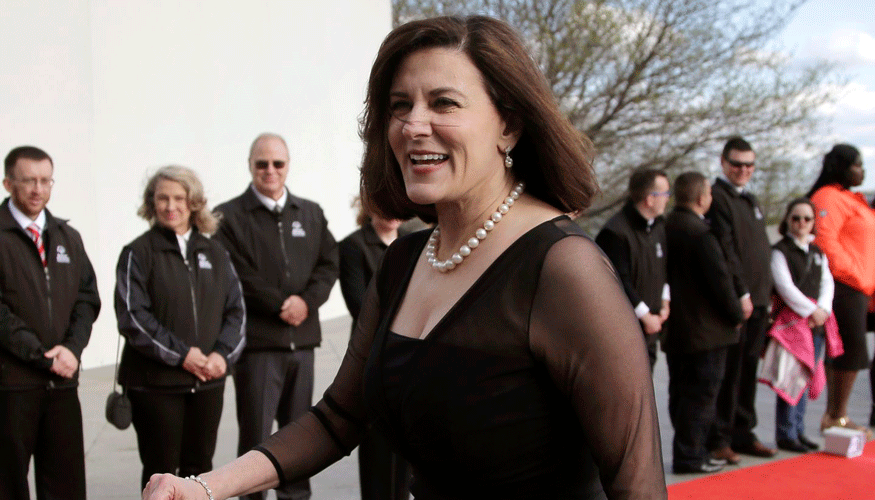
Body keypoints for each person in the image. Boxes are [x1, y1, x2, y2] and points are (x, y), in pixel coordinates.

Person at [144, 15, 665, 500]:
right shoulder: (404, 260)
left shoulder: (563, 268)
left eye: (444, 103)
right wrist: (205, 487)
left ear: (508, 124)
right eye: (400, 105)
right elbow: (337, 417)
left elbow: (636, 482)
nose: (414, 125)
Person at [213, 133, 339, 500]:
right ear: (250, 165)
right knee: (256, 438)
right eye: (262, 163)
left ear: (288, 166)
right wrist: (278, 303)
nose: (270, 171)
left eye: (278, 163)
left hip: (302, 344)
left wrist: (306, 301)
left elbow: (329, 263)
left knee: (299, 437)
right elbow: (234, 270)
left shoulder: (310, 213)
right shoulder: (228, 217)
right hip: (259, 348)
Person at [114, 166, 247, 489]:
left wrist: (221, 355)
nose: (170, 206)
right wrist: (182, 354)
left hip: (208, 384)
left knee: (200, 472)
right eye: (162, 198)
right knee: (161, 474)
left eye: (179, 198)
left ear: (194, 203)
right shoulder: (137, 253)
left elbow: (237, 311)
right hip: (156, 385)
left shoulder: (215, 252)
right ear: (152, 203)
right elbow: (133, 316)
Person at [0, 145, 101, 499]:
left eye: (45, 180)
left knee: (65, 484)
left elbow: (87, 299)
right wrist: (42, 355)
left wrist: (72, 350)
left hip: (61, 386)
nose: (37, 189)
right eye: (28, 180)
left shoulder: (67, 237)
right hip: (11, 387)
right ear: (8, 182)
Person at [664, 172, 745, 474]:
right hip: (707, 333)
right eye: (709, 193)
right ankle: (691, 455)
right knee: (701, 396)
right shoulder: (701, 234)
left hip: (677, 331)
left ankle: (688, 450)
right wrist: (737, 315)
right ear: (701, 198)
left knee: (681, 394)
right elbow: (720, 282)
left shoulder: (666, 227)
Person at [706, 136, 776, 464]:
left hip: (760, 300)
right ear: (723, 163)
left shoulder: (751, 201)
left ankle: (743, 432)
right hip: (737, 302)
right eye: (737, 164)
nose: (743, 170)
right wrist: (741, 293)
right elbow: (725, 249)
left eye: (749, 165)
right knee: (729, 374)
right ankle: (719, 438)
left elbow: (760, 251)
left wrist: (766, 294)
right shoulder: (717, 198)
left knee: (748, 371)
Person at [338, 198, 411, 500]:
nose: (391, 211)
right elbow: (359, 305)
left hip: (408, 359)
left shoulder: (413, 241)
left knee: (406, 452)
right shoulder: (353, 245)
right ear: (368, 205)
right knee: (377, 449)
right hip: (373, 358)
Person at [808, 144, 875, 439]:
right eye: (857, 165)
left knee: (852, 352)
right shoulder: (828, 197)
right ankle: (836, 415)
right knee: (851, 351)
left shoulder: (851, 199)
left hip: (862, 287)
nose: (862, 170)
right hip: (845, 285)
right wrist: (853, 274)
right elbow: (825, 241)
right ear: (841, 167)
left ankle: (836, 416)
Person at [767, 198, 839, 452]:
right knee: (790, 378)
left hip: (816, 325)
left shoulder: (817, 252)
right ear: (788, 220)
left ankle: (798, 429)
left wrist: (824, 310)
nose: (801, 224)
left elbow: (827, 283)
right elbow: (784, 287)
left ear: (813, 223)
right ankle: (786, 433)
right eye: (796, 218)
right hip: (792, 326)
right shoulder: (780, 251)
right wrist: (811, 310)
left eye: (807, 219)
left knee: (806, 377)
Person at [596, 168, 671, 371]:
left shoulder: (659, 226)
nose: (667, 199)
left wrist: (664, 302)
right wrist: (645, 316)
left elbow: (663, 268)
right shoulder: (615, 232)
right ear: (649, 199)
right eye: (665, 194)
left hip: (652, 329)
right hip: (625, 334)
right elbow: (618, 281)